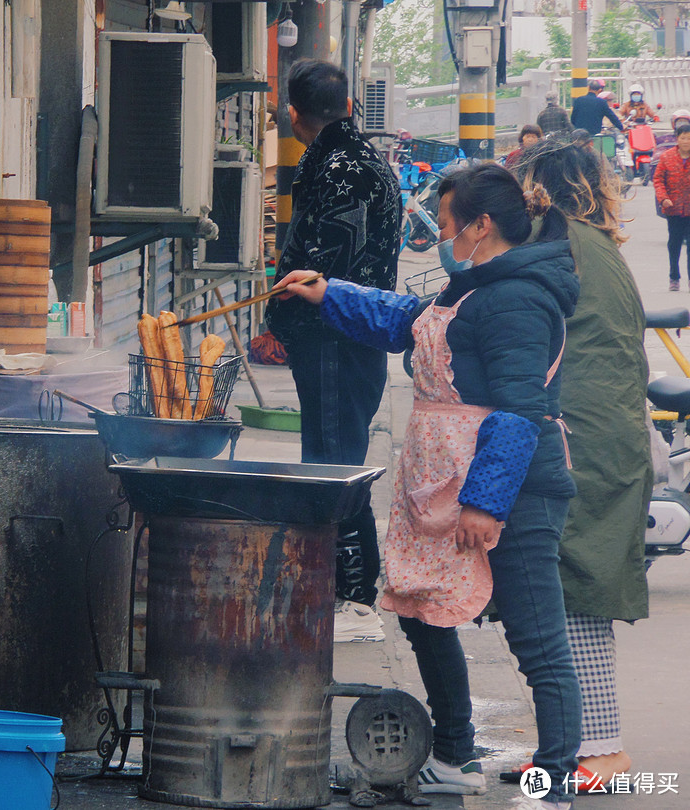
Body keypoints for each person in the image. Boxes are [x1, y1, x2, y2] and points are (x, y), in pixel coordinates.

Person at [274, 163, 581, 809]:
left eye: (444, 224)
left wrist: (483, 502)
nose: (438, 235)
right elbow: (406, 320)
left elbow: (521, 412)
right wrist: (328, 292)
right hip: (441, 491)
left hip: (510, 492)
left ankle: (553, 784)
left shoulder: (519, 298)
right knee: (419, 608)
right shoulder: (469, 286)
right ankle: (455, 753)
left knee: (535, 640)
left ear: (481, 224)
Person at [509, 137, 651, 790]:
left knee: (572, 586)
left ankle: (602, 749)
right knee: (567, 586)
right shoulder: (594, 241)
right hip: (609, 436)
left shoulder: (552, 237)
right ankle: (571, 745)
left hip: (582, 439)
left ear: (538, 187)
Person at [265, 59, 401, 644]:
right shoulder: (366, 160)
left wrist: (286, 310)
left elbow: (322, 265)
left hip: (335, 337)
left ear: (294, 113)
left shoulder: (339, 168)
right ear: (348, 106)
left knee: (333, 462)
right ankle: (346, 590)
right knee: (335, 455)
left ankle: (355, 597)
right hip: (353, 335)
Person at [652, 123, 690, 291]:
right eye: (683, 138)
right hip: (673, 209)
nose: (687, 142)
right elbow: (658, 180)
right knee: (674, 244)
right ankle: (674, 276)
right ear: (677, 139)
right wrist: (663, 198)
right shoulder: (667, 157)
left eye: (689, 138)